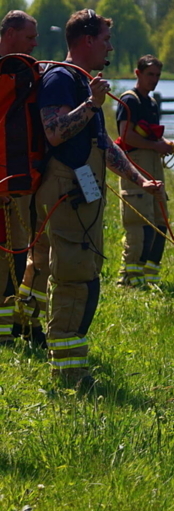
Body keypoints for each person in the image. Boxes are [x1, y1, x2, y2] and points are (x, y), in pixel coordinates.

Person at [37, 9, 162, 386]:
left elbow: (103, 144)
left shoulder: (85, 82)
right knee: (72, 276)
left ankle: (75, 365)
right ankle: (66, 373)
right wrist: (91, 103)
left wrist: (139, 178)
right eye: (105, 40)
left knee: (88, 277)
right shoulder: (59, 79)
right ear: (86, 41)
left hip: (85, 200)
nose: (110, 46)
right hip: (64, 195)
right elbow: (54, 133)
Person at [115, 54, 174, 287]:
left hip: (154, 167)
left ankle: (150, 278)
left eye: (158, 75)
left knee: (160, 223)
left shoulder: (151, 103)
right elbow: (126, 136)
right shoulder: (129, 100)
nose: (155, 80)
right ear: (137, 73)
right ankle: (129, 279)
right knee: (140, 226)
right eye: (150, 74)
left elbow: (153, 136)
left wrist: (168, 144)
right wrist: (156, 145)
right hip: (136, 167)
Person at [0, 10, 39, 343]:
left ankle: (10, 329)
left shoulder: (29, 73)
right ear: (10, 34)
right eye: (29, 38)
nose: (35, 44)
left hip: (20, 181)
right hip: (3, 179)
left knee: (17, 251)